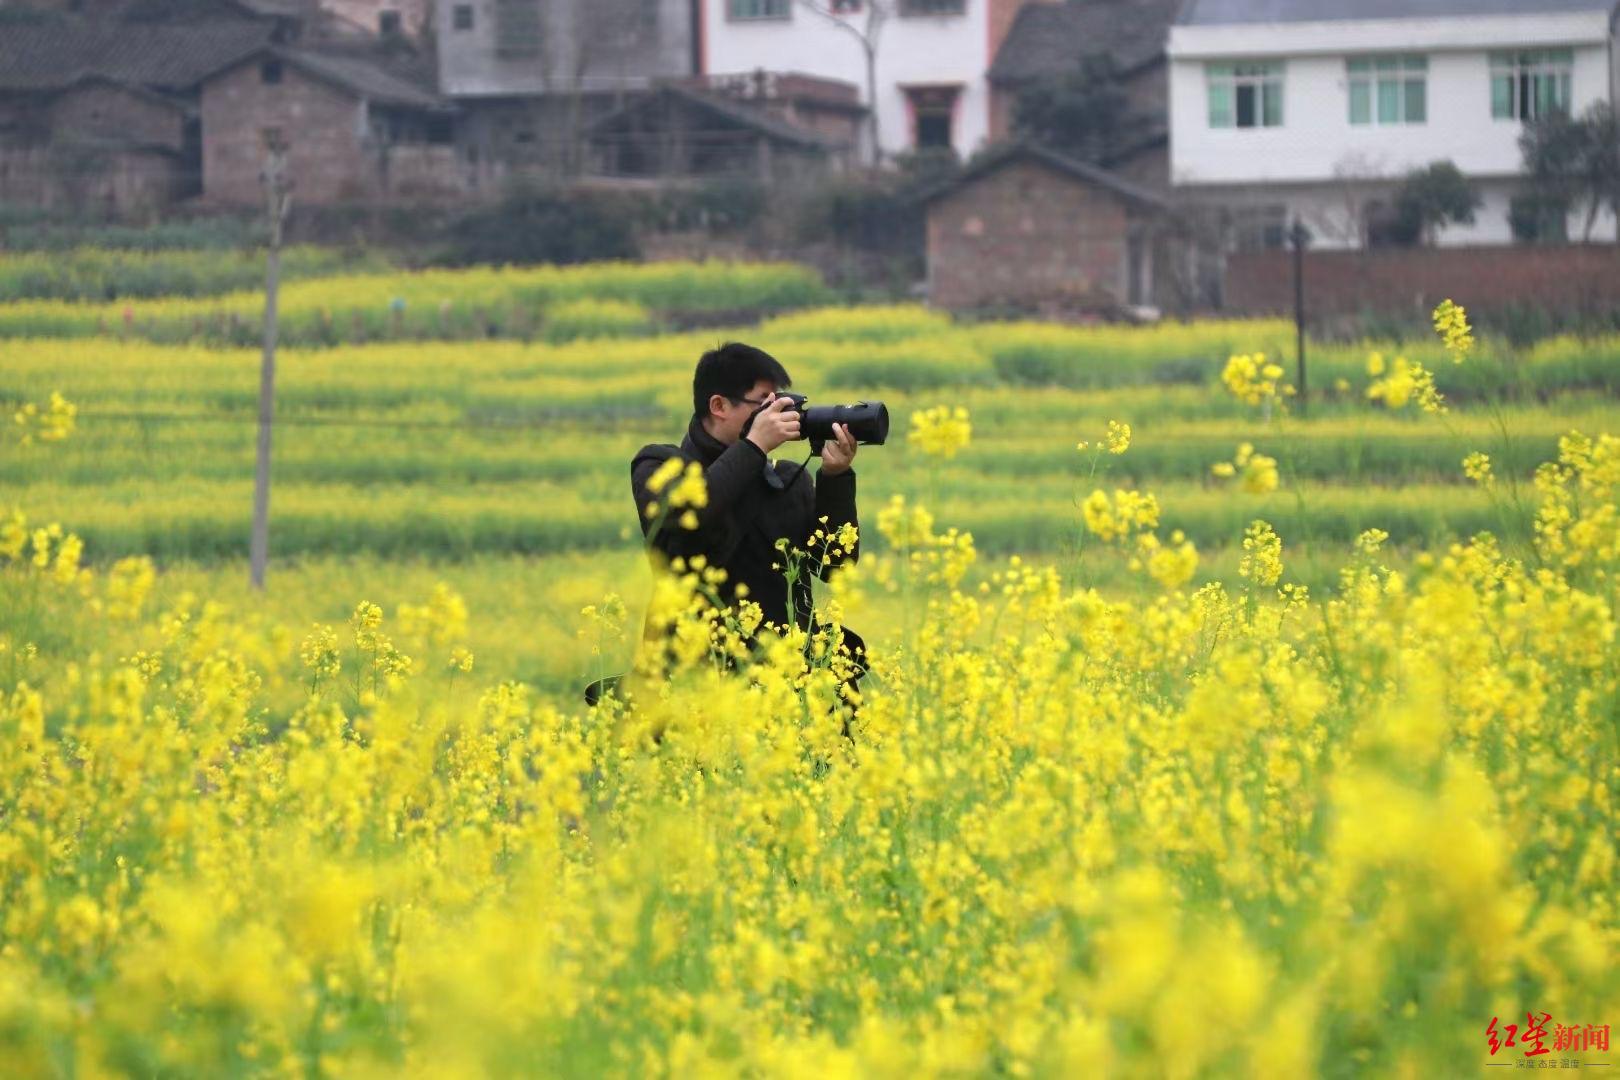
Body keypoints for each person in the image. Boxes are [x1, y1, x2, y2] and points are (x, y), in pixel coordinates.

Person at [618, 341, 868, 716]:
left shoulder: (785, 480)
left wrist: (836, 477)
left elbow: (836, 565)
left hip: (789, 688)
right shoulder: (659, 465)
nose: (779, 412)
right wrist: (753, 447)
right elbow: (693, 517)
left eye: (781, 401)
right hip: (699, 687)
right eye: (764, 402)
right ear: (719, 406)